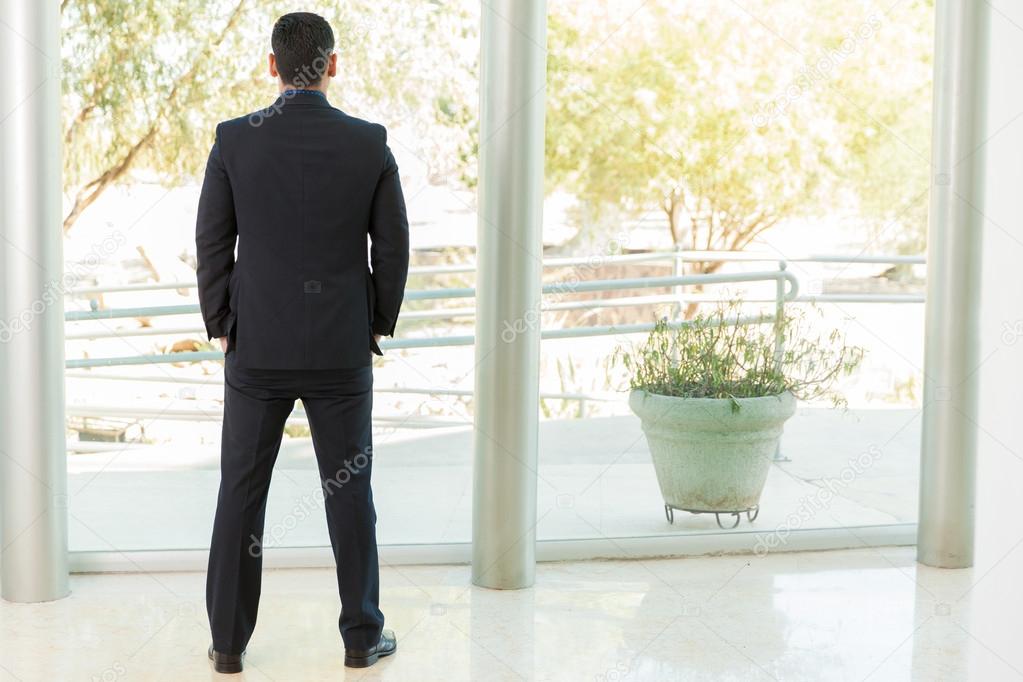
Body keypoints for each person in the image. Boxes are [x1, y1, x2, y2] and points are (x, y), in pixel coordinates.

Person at [195, 11, 409, 673]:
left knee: (241, 492)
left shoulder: (234, 140)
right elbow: (393, 246)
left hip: (255, 348)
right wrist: (374, 320)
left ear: (272, 66)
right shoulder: (369, 142)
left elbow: (211, 244)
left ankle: (228, 645)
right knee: (350, 492)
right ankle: (360, 637)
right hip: (340, 350)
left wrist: (223, 324)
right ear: (332, 65)